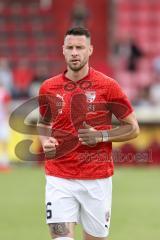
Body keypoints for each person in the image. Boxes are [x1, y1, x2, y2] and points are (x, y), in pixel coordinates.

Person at [37, 27, 140, 240]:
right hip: (59, 177)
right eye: (70, 47)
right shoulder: (48, 88)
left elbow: (133, 128)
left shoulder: (108, 86)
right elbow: (43, 122)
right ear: (63, 50)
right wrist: (46, 140)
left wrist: (101, 136)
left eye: (80, 47)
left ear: (90, 50)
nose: (75, 52)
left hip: (97, 178)